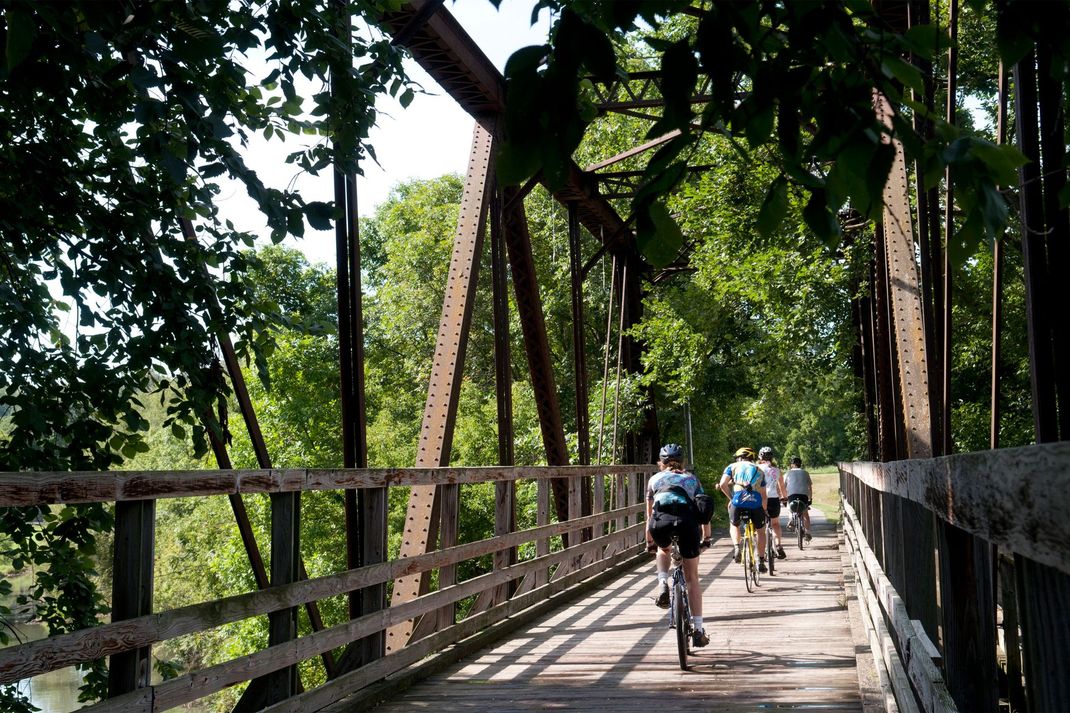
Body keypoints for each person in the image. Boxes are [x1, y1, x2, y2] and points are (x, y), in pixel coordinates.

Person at [646, 443, 712, 648]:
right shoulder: (692, 480)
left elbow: (649, 515)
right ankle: (698, 631)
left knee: (662, 548)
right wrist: (707, 537)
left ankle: (663, 583)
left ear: (661, 463)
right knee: (692, 578)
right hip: (686, 524)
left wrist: (650, 540)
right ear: (683, 462)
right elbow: (702, 509)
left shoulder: (654, 480)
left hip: (661, 524)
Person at [718, 446, 768, 573]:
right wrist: (764, 510)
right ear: (752, 458)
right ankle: (761, 560)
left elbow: (723, 484)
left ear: (739, 458)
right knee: (761, 531)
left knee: (734, 524)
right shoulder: (759, 470)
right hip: (755, 503)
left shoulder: (732, 466)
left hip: (738, 501)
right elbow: (763, 494)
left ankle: (736, 547)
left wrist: (731, 498)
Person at [757, 446, 787, 559]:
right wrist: (784, 497)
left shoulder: (757, 468)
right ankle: (778, 544)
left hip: (760, 499)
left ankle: (761, 552)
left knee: (760, 528)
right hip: (774, 499)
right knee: (775, 524)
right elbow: (782, 486)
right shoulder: (777, 470)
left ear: (760, 457)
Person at [784, 456, 813, 542]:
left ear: (791, 465)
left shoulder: (787, 473)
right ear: (800, 464)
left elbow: (783, 486)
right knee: (805, 513)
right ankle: (807, 532)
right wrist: (810, 498)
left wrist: (784, 498)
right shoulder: (805, 473)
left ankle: (791, 519)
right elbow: (809, 487)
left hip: (792, 495)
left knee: (790, 508)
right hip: (803, 496)